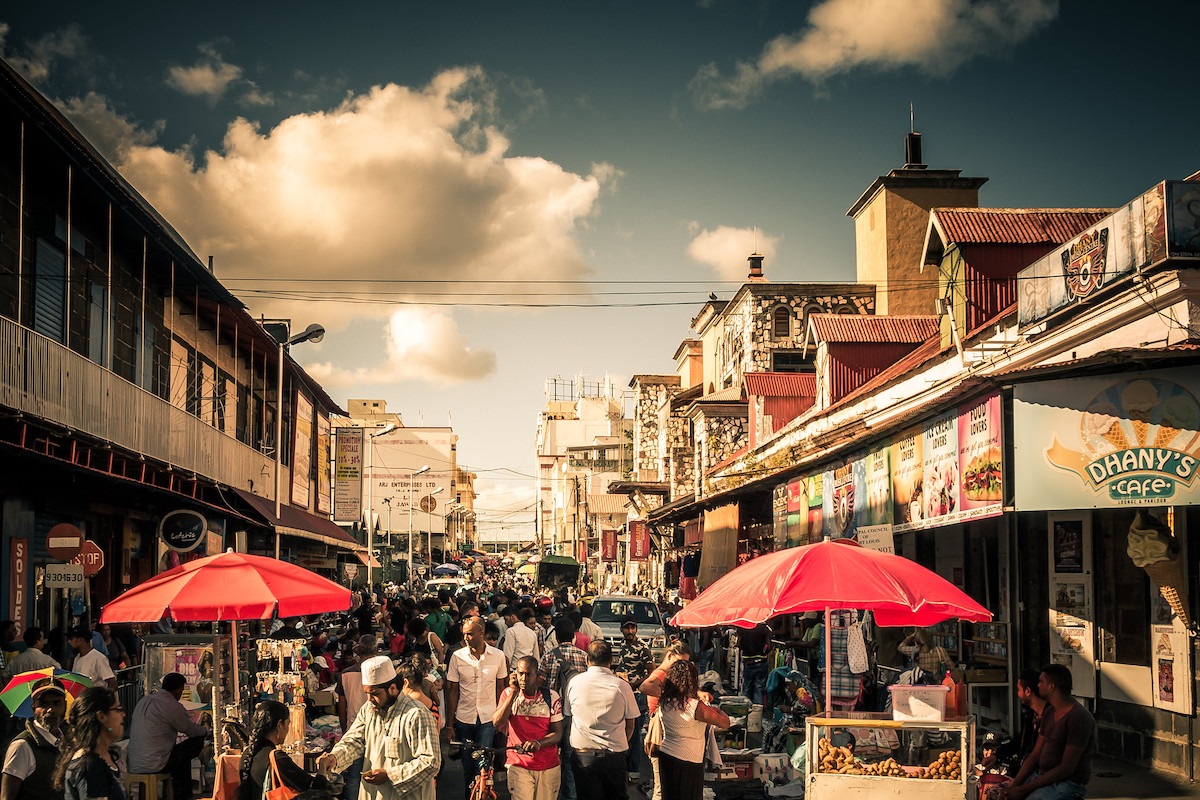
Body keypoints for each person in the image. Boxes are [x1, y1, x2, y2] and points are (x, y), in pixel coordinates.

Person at [317, 656, 440, 800]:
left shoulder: (417, 714)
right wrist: (334, 757)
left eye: (374, 694)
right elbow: (354, 741)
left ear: (392, 688)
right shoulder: (368, 709)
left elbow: (431, 761)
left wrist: (390, 775)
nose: (369, 699)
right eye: (367, 693)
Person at [640, 660, 730, 800]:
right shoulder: (695, 707)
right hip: (689, 760)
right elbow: (725, 723)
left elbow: (646, 687)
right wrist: (718, 711)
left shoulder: (665, 701)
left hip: (667, 755)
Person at [1006, 664, 1096, 800]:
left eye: (1041, 682)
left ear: (1051, 686)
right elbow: (1035, 755)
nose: (1038, 685)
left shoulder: (1078, 718)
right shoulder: (1050, 711)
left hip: (1066, 784)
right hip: (1041, 775)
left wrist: (1024, 789)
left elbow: (1066, 768)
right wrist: (1014, 786)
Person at [566, 640, 640, 800]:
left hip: (583, 757)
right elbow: (630, 725)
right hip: (613, 757)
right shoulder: (622, 686)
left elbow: (570, 714)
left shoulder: (574, 683)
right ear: (611, 661)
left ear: (587, 659)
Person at [446, 616, 508, 796]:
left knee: (483, 767)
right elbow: (452, 692)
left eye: (470, 634)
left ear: (482, 632)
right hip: (464, 720)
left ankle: (483, 794)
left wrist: (501, 720)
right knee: (468, 768)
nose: (466, 638)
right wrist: (450, 725)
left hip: (488, 720)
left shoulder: (498, 656)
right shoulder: (457, 657)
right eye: (464, 634)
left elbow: (501, 690)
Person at [127, 672, 208, 800]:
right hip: (156, 763)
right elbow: (191, 730)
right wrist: (206, 732)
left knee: (181, 759)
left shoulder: (144, 701)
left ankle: (173, 792)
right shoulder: (171, 705)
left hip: (135, 762)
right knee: (195, 743)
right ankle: (180, 795)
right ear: (178, 690)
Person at [493, 657, 563, 800]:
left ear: (537, 676)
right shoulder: (508, 694)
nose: (523, 678)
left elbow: (557, 733)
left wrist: (539, 743)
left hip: (548, 766)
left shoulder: (551, 697)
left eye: (528, 674)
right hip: (518, 764)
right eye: (520, 674)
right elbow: (497, 723)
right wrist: (513, 693)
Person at [237, 700, 329, 800]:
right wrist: (323, 766)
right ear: (279, 724)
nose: (287, 730)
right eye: (288, 724)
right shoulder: (277, 758)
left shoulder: (247, 754)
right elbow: (315, 788)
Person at [537, 619, 587, 800]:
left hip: (552, 715)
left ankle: (550, 794)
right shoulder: (584, 656)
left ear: (556, 637)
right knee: (570, 758)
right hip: (575, 714)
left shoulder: (549, 656)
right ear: (573, 637)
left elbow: (539, 685)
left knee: (549, 755)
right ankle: (570, 795)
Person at [53, 686, 125, 800]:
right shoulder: (90, 765)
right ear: (101, 716)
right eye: (117, 709)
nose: (123, 714)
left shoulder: (101, 758)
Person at [1, 678, 67, 800]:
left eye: (56, 703)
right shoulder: (22, 746)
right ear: (33, 708)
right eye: (43, 704)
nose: (50, 710)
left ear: (65, 706)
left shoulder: (68, 742)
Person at [614, 619, 653, 782]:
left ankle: (634, 770)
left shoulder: (643, 648)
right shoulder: (623, 647)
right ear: (621, 629)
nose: (630, 631)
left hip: (637, 696)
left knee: (635, 733)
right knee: (624, 731)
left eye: (633, 628)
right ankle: (625, 767)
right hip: (624, 694)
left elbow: (651, 672)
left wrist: (633, 684)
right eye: (627, 628)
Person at [736, 622, 772, 706]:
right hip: (761, 661)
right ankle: (757, 712)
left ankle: (746, 710)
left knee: (747, 688)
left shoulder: (743, 627)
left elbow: (739, 644)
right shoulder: (764, 628)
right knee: (759, 689)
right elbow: (769, 646)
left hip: (748, 662)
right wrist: (763, 652)